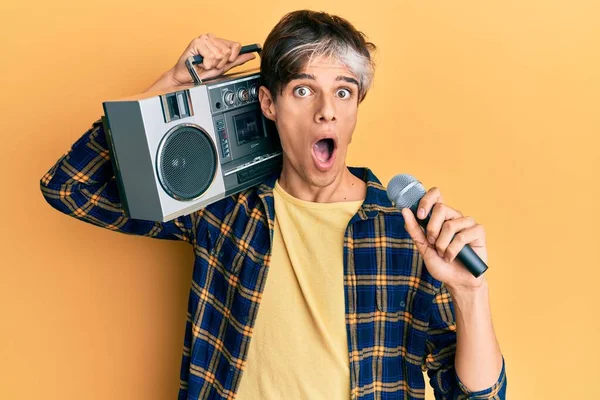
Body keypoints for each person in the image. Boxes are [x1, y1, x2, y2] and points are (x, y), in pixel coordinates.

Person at [40, 9, 507, 400]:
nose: (326, 110)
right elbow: (71, 188)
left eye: (343, 91)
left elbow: (474, 396)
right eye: (304, 90)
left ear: (356, 106)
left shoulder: (408, 231)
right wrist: (172, 84)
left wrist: (471, 295)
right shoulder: (222, 209)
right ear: (268, 103)